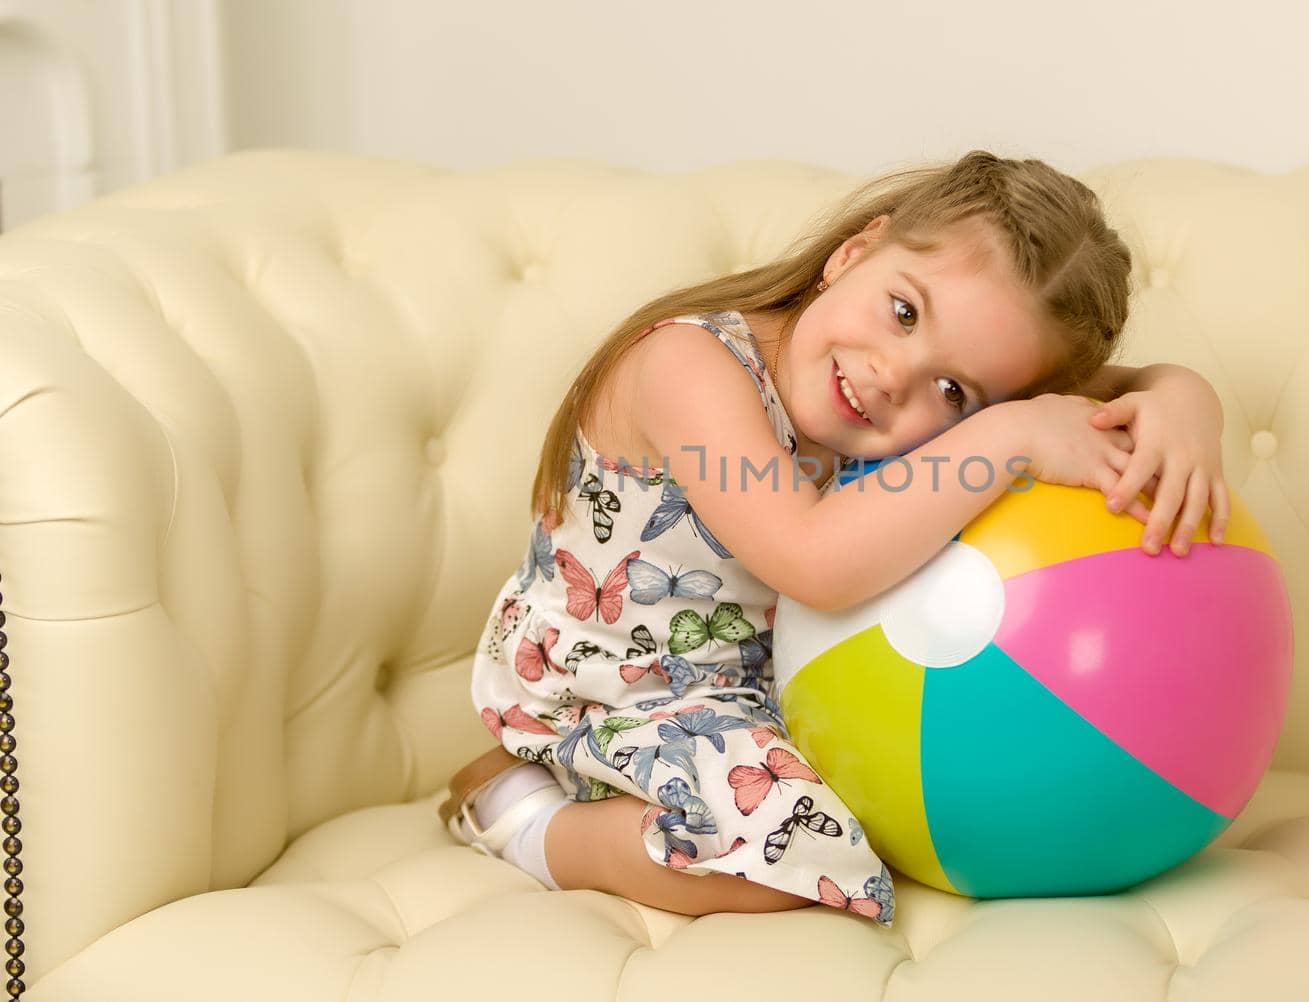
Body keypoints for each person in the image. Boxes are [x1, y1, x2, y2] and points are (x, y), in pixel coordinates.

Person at [437, 150, 1229, 926]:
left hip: (788, 696)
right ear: (852, 252)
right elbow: (809, 557)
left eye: (953, 389)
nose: (894, 375)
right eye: (904, 312)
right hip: (616, 689)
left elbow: (1126, 389)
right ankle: (529, 821)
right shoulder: (689, 364)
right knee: (793, 854)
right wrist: (1009, 434)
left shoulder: (938, 401)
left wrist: (1186, 404)